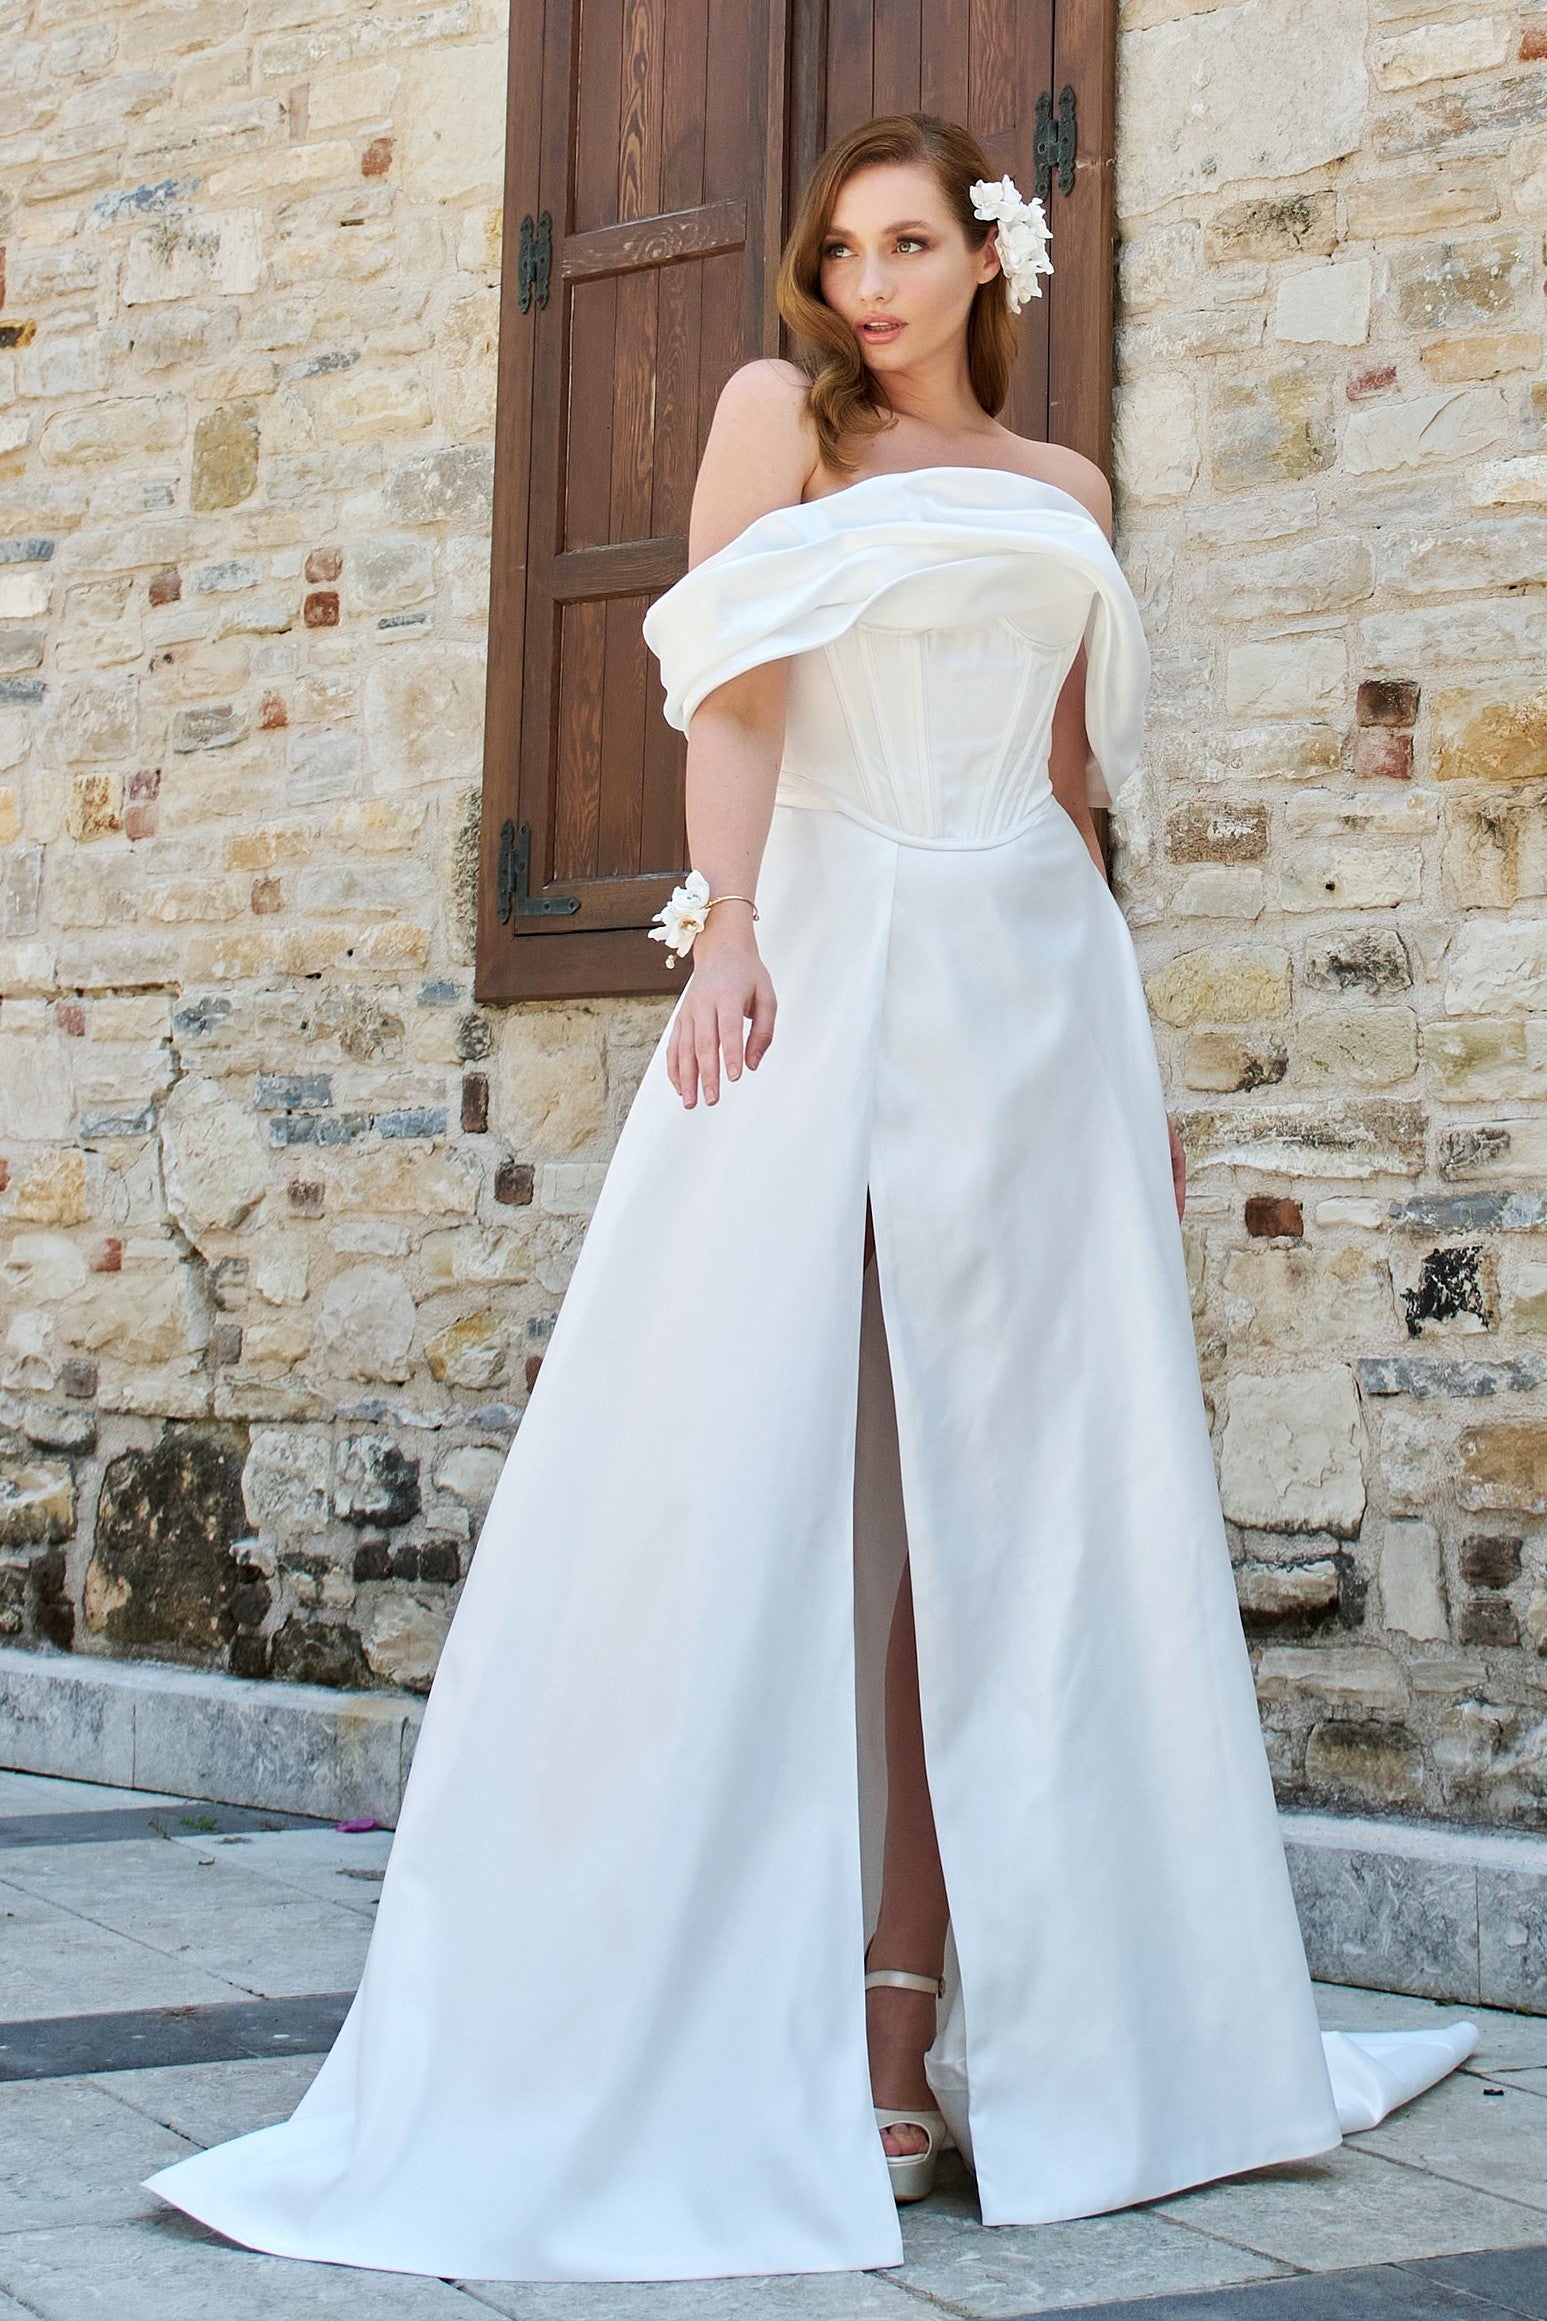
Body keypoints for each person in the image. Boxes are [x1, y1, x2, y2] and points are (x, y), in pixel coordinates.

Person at [142, 110, 1476, 2284]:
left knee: (1008, 1505)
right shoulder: (780, 419)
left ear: (987, 262)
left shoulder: (1069, 492)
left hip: (1035, 983)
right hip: (835, 947)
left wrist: (1129, 1064)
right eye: (843, 250)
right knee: (777, 1464)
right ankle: (747, 2003)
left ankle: (918, 2017)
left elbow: (1070, 791)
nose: (869, 286)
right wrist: (732, 928)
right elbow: (738, 695)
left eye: (910, 245)